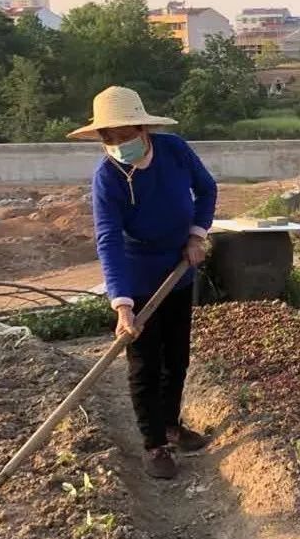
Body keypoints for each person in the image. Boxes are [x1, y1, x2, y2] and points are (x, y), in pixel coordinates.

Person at [69, 86, 218, 479]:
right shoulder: (108, 178)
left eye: (124, 135)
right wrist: (123, 305)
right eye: (109, 138)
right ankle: (154, 445)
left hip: (179, 269)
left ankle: (171, 424)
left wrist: (196, 235)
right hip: (138, 277)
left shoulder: (174, 150)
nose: (118, 144)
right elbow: (108, 239)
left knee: (177, 358)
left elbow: (206, 189)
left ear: (142, 128)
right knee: (145, 366)